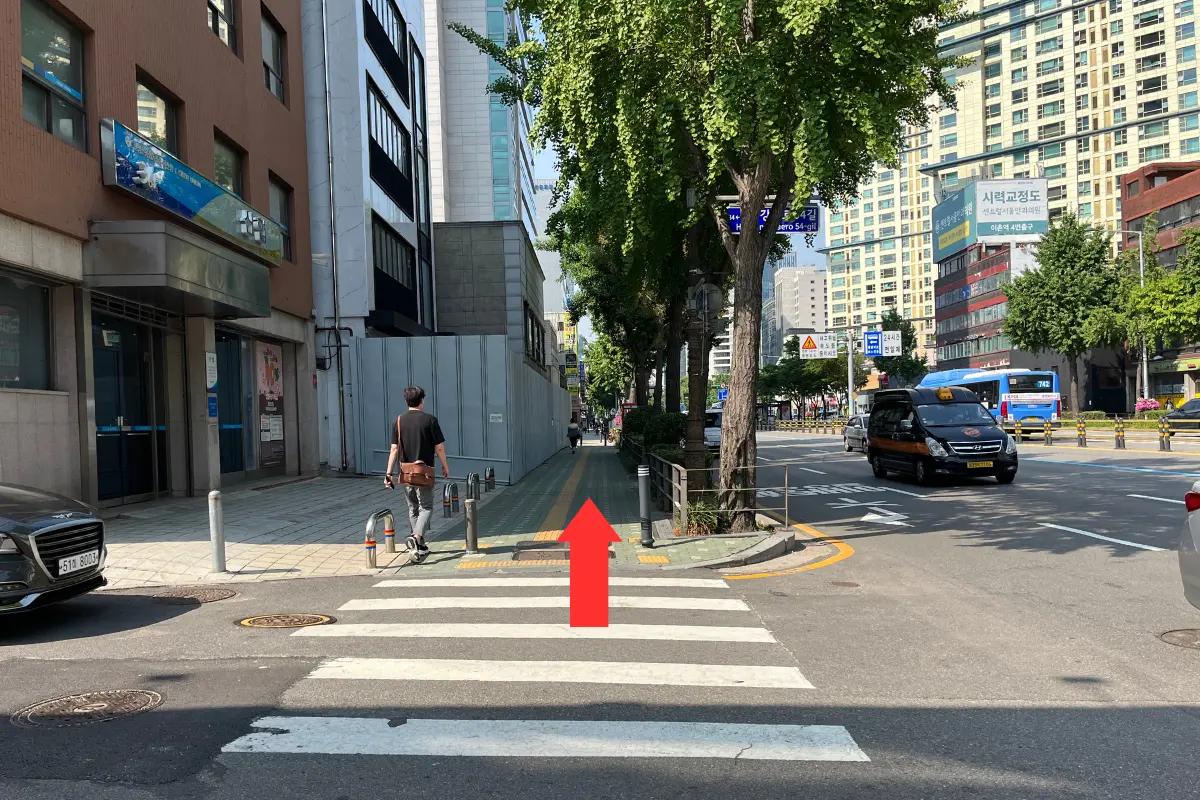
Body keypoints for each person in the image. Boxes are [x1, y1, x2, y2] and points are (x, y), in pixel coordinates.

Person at [384, 386, 450, 564]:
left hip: (405, 473)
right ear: (421, 400)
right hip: (424, 472)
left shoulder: (398, 421)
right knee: (426, 507)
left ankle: (419, 546)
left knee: (413, 508)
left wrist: (388, 473)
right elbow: (439, 447)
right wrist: (445, 466)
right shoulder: (430, 420)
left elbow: (394, 449)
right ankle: (417, 536)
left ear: (407, 401)